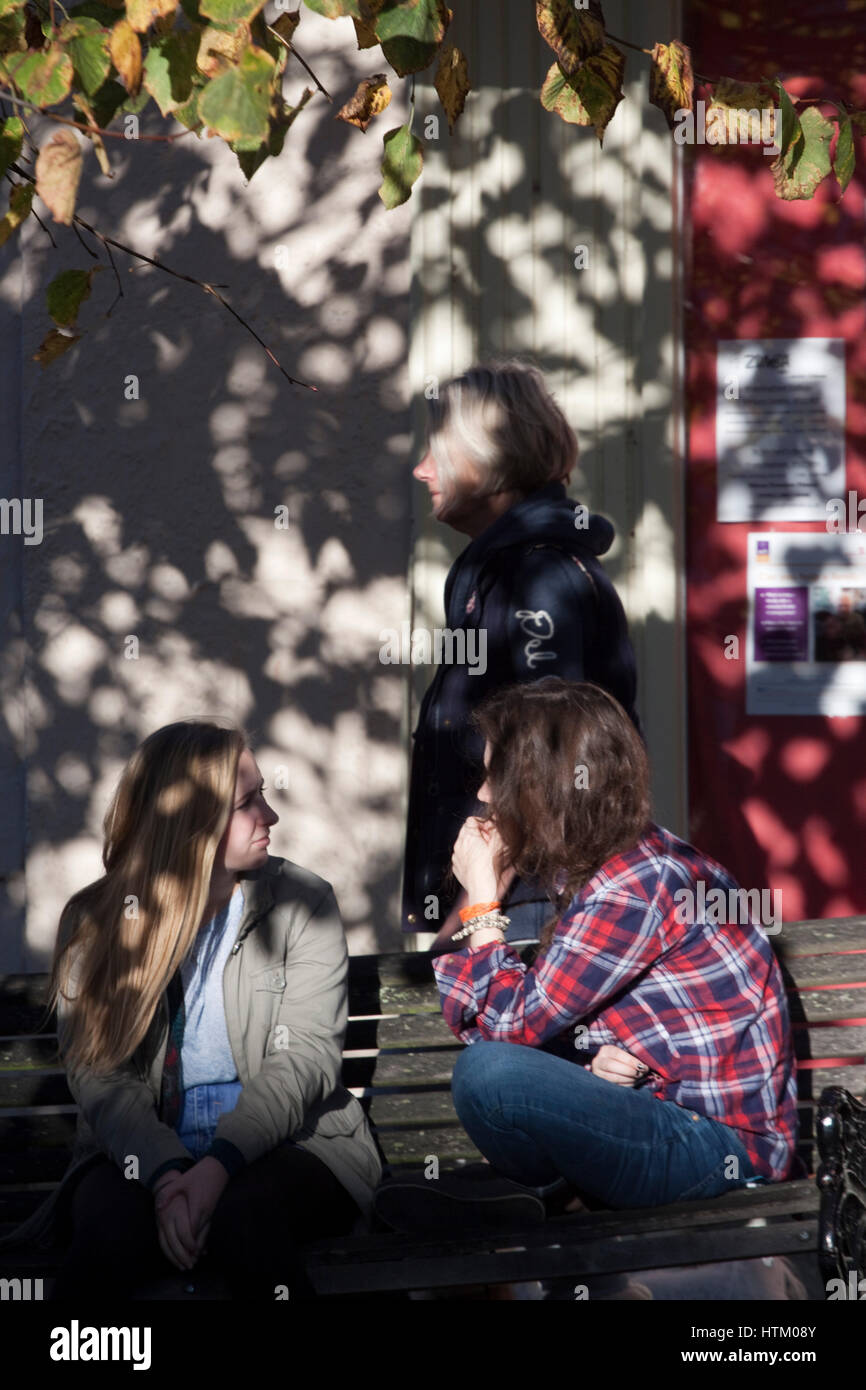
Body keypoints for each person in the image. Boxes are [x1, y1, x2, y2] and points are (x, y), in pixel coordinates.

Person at [378, 679, 798, 1234]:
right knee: (495, 1073)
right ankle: (534, 1200)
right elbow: (573, 1013)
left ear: (542, 788)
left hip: (720, 1151)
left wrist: (482, 896)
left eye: (494, 777)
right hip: (667, 1117)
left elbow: (507, 1028)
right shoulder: (621, 858)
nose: (482, 794)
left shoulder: (631, 888)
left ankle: (536, 1198)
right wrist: (600, 1066)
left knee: (488, 1074)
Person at [0, 720, 382, 1300]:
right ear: (190, 822)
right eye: (247, 802)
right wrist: (165, 1174)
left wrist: (219, 1165)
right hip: (139, 1151)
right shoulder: (98, 922)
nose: (269, 816)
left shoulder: (303, 902)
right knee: (110, 1233)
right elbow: (100, 1075)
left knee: (243, 1222)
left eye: (264, 795)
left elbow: (304, 1061)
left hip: (290, 1145)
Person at [402, 359, 641, 950]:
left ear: (488, 460)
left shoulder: (538, 575)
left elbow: (545, 764)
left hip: (532, 905)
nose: (420, 469)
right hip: (517, 900)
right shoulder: (512, 568)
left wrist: (469, 913)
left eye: (439, 449)